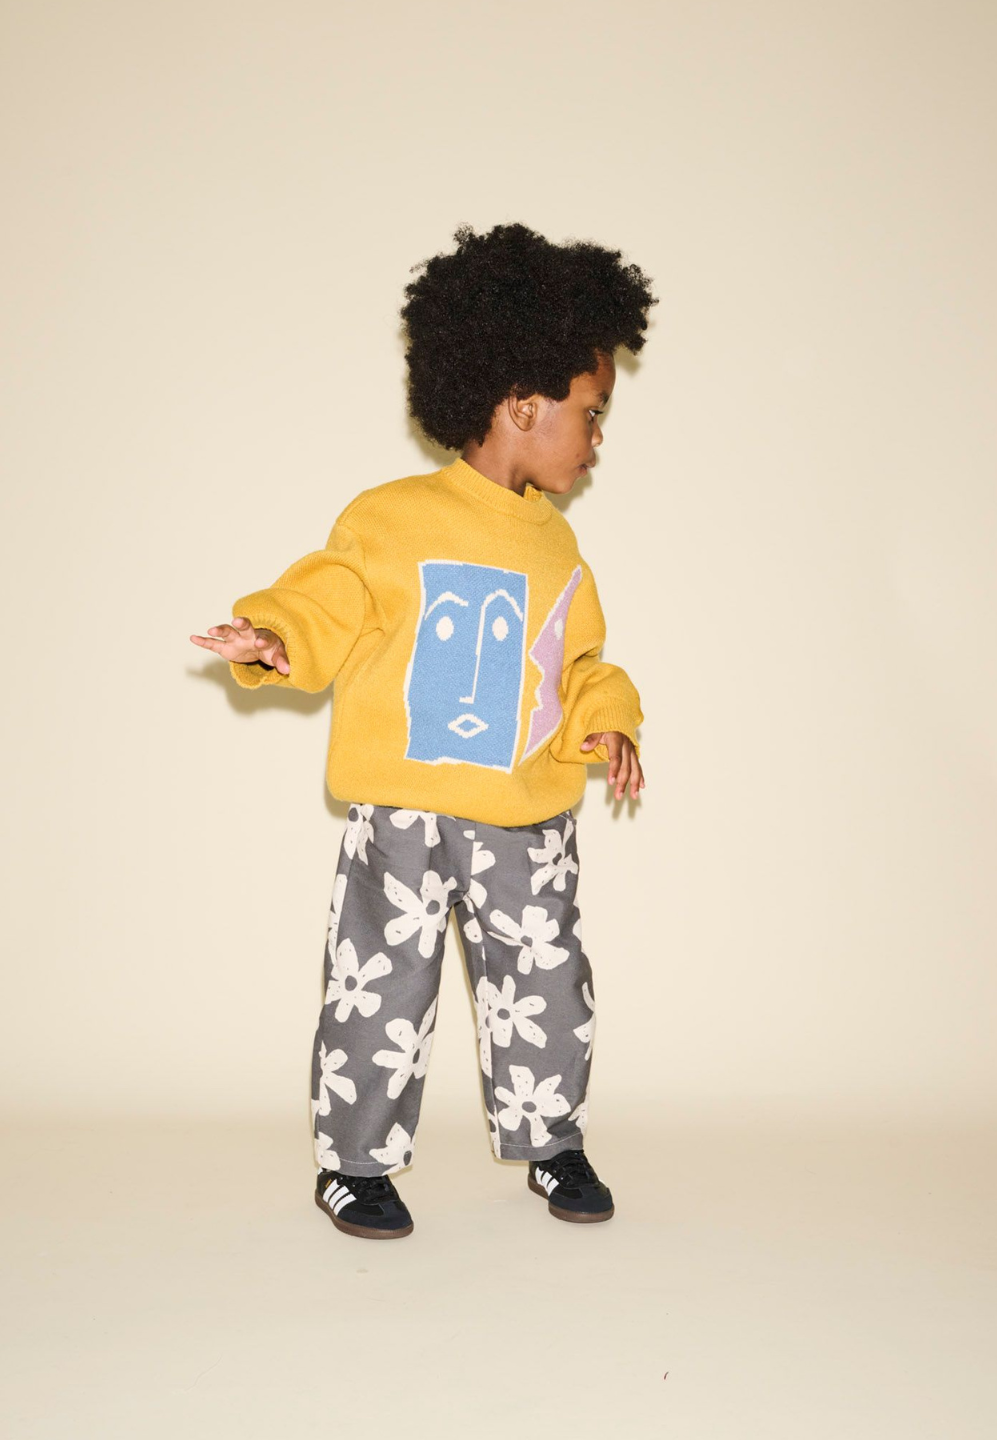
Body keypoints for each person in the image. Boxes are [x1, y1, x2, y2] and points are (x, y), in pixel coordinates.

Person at [190, 221, 657, 1239]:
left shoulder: (558, 549)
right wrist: (273, 635)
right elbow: (331, 601)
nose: (596, 435)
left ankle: (552, 1139)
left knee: (545, 984)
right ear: (519, 407)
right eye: (590, 412)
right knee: (377, 991)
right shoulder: (391, 518)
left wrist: (608, 720)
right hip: (400, 816)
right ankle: (354, 1163)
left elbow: (580, 665)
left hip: (524, 824)